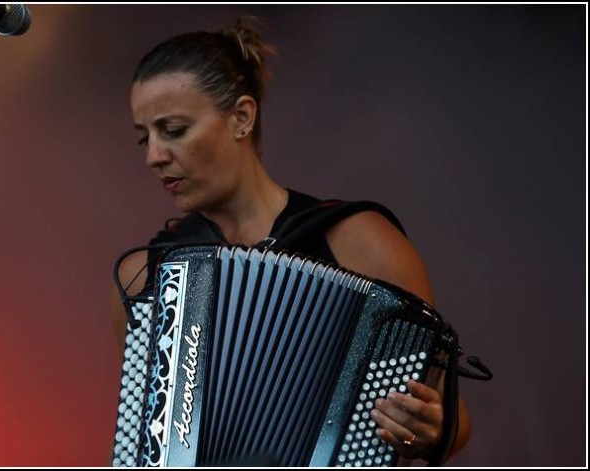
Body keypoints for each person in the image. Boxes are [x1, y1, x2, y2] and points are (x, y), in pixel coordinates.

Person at [111, 16, 470, 466]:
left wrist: (431, 428)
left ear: (241, 117)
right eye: (144, 138)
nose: (153, 156)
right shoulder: (146, 275)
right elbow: (147, 442)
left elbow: (448, 417)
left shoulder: (358, 239)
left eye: (174, 131)